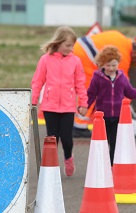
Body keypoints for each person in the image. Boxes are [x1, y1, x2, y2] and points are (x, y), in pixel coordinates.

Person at [31, 26, 88, 176]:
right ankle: (51, 169)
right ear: (58, 43)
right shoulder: (45, 60)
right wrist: (33, 101)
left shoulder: (76, 61)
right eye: (68, 45)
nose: (71, 49)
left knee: (67, 140)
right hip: (50, 106)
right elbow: (37, 81)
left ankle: (68, 158)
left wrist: (83, 103)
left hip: (68, 107)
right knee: (52, 139)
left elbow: (80, 84)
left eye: (72, 46)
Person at [87, 45, 136, 166]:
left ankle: (113, 165)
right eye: (107, 65)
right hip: (102, 116)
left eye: (114, 65)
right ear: (102, 64)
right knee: (102, 142)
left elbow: (130, 92)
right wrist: (84, 107)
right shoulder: (97, 78)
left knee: (115, 142)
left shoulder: (122, 77)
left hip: (118, 116)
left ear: (118, 63)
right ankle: (101, 165)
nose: (111, 68)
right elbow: (91, 94)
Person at [72, 30, 136, 138]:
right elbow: (122, 87)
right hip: (83, 56)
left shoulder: (120, 38)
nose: (134, 61)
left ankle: (76, 123)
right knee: (91, 91)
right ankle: (79, 127)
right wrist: (129, 111)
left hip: (76, 47)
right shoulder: (122, 55)